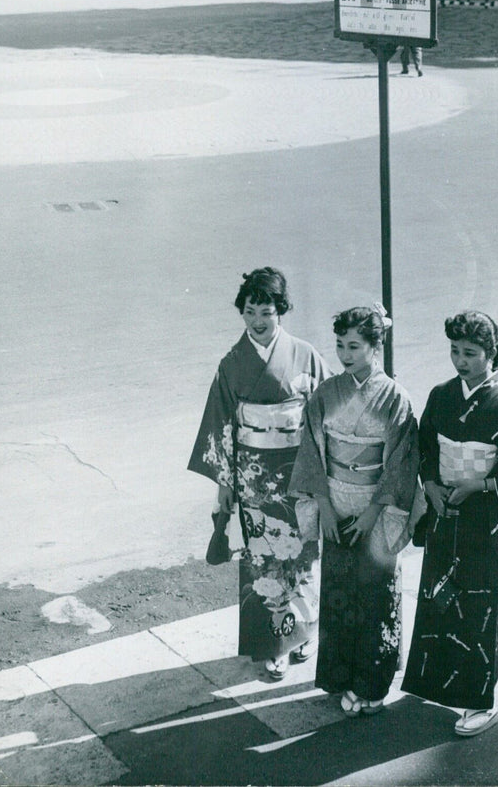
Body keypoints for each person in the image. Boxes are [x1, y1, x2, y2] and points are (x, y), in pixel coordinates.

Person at [401, 311, 498, 737]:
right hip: (446, 512)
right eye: (455, 351)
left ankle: (480, 701)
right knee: (440, 600)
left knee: (482, 608)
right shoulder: (442, 395)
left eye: (470, 353)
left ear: (491, 354)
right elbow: (425, 445)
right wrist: (429, 484)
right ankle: (435, 685)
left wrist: (479, 482)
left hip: (485, 520)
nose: (460, 361)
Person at [188, 267, 331, 680]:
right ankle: (274, 646)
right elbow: (221, 427)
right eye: (249, 311)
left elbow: (324, 413)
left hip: (299, 470)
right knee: (264, 558)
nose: (257, 320)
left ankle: (306, 634)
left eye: (265, 311)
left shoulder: (304, 354)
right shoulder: (232, 364)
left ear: (280, 311)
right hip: (254, 476)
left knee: (304, 554)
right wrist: (225, 484)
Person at [290, 304, 422, 716]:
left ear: (375, 346)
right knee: (339, 591)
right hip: (334, 500)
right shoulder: (327, 393)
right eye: (340, 346)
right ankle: (340, 677)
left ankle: (374, 685)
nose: (345, 354)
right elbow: (313, 451)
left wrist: (372, 513)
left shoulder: (395, 399)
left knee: (376, 594)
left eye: (354, 346)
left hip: (376, 507)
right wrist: (324, 507)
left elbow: (401, 461)